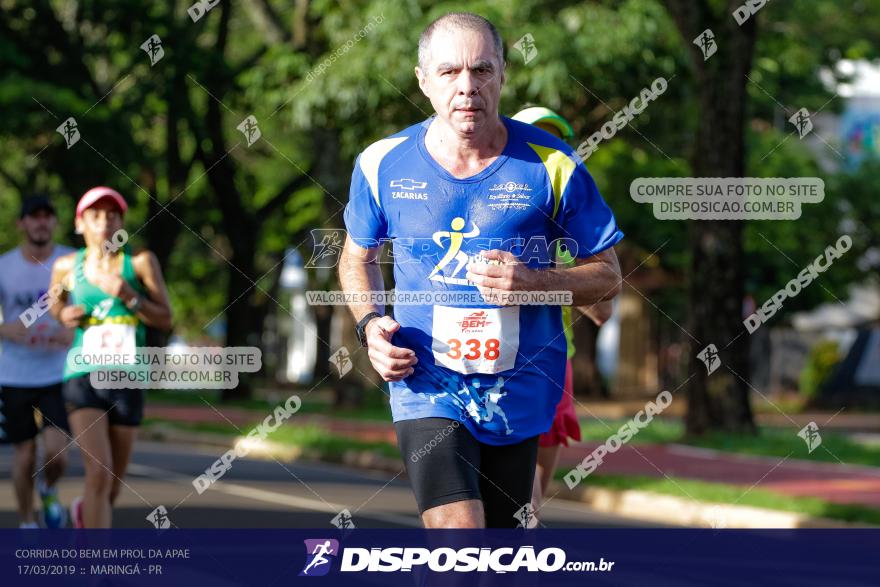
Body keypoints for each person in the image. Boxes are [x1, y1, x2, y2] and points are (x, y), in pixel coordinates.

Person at [339, 13, 623, 528]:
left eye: (482, 70)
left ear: (503, 76)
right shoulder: (382, 162)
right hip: (425, 381)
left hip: (520, 386)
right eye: (449, 73)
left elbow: (606, 275)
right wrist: (368, 324)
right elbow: (356, 256)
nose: (467, 88)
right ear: (423, 81)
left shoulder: (551, 164)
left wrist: (536, 284)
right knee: (459, 533)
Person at [511, 106, 615, 525]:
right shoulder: (494, 209)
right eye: (534, 141)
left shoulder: (572, 226)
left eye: (554, 141)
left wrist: (542, 280)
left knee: (535, 490)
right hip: (497, 357)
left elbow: (604, 308)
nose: (544, 151)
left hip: (554, 361)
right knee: (522, 498)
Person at [49, 187, 172, 528]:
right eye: (95, 215)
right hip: (82, 374)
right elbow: (53, 302)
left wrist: (131, 297)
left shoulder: (140, 263)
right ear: (80, 223)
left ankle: (83, 514)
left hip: (127, 376)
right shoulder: (65, 266)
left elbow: (165, 317)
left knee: (112, 485)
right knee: (98, 474)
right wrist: (63, 314)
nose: (104, 222)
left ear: (121, 221)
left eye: (112, 215)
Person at [0, 194, 74, 528]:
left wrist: (76, 333)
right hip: (14, 373)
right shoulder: (5, 266)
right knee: (25, 452)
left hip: (57, 370)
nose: (41, 222)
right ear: (22, 223)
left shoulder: (71, 262)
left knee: (58, 453)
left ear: (55, 222)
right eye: (34, 216)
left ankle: (48, 486)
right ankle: (28, 524)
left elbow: (93, 307)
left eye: (47, 216)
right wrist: (4, 328)